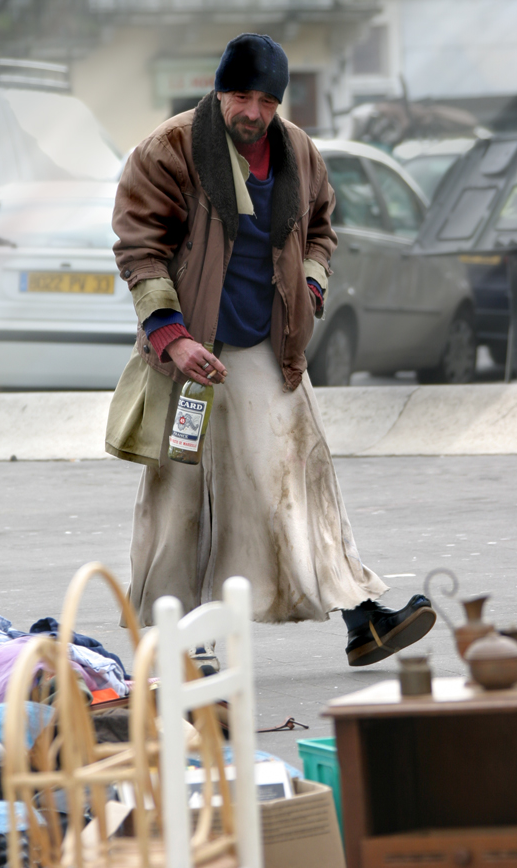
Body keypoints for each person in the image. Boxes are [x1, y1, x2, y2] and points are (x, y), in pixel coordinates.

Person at [106, 33, 435, 667]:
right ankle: (169, 645)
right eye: (239, 95)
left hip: (267, 342)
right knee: (179, 497)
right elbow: (139, 249)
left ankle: (363, 619)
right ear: (218, 90)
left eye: (265, 99)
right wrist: (171, 340)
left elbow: (321, 228)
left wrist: (312, 279)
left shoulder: (299, 154)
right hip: (189, 344)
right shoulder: (168, 150)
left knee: (302, 478)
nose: (251, 112)